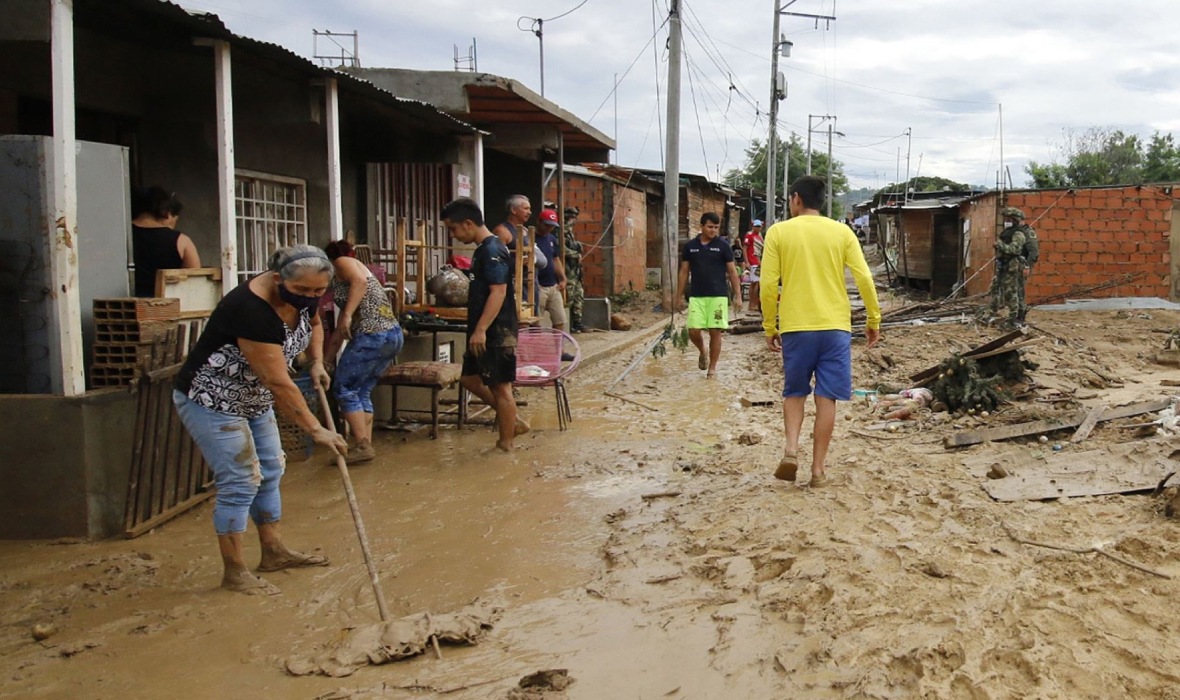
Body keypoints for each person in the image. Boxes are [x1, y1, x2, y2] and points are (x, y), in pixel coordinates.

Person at [173, 245, 348, 595]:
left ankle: (273, 552)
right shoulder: (250, 310)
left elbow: (314, 324)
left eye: (317, 292)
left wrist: (315, 361)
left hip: (255, 398)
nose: (310, 298)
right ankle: (234, 572)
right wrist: (315, 429)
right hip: (214, 399)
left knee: (270, 469)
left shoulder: (305, 297)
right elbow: (277, 380)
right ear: (276, 278)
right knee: (240, 480)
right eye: (301, 291)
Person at [760, 176, 881, 487]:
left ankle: (790, 450)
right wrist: (873, 320)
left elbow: (768, 285)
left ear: (797, 199)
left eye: (789, 199)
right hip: (835, 328)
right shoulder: (842, 232)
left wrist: (770, 325)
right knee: (827, 398)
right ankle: (817, 471)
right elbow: (864, 279)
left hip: (796, 327)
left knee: (795, 391)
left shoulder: (778, 232)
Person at [442, 198, 529, 452]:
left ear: (468, 223)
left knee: (501, 388)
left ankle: (506, 444)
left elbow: (498, 293)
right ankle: (513, 421)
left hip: (496, 331)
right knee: (469, 379)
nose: (453, 235)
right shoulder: (483, 249)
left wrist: (481, 330)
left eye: (453, 229)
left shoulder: (492, 250)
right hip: (484, 329)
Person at [323, 240, 403, 464]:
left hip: (373, 335)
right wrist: (327, 361)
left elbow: (358, 283)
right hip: (391, 334)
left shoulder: (343, 262)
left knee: (344, 388)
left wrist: (348, 314)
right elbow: (341, 327)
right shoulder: (353, 274)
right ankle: (365, 443)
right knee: (361, 392)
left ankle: (361, 445)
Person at [678, 212, 743, 379]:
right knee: (693, 330)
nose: (713, 230)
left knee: (715, 331)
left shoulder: (723, 246)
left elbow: (732, 271)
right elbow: (684, 271)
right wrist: (678, 296)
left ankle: (712, 368)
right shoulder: (690, 246)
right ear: (701, 226)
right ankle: (702, 350)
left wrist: (738, 295)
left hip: (719, 296)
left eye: (716, 227)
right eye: (710, 227)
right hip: (697, 295)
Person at [131, 186, 201, 297]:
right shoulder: (182, 241)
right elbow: (195, 283)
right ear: (167, 213)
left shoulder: (120, 235)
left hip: (123, 306)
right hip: (168, 308)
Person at [989, 206, 1029, 325]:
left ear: (1015, 219)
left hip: (1012, 267)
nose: (1006, 221)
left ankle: (1014, 317)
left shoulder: (1018, 233)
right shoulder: (1007, 232)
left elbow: (1015, 250)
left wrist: (1000, 245)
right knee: (994, 288)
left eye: (1009, 219)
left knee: (1011, 293)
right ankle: (992, 311)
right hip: (1003, 265)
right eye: (1006, 218)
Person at [534, 208, 567, 330]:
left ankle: (559, 348)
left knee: (560, 320)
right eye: (546, 225)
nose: (549, 228)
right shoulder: (530, 237)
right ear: (539, 222)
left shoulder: (551, 239)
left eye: (552, 226)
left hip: (553, 285)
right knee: (536, 321)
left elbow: (555, 259)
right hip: (538, 286)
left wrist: (562, 278)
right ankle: (537, 348)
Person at [563, 207, 586, 332]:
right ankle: (568, 324)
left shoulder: (570, 232)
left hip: (575, 270)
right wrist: (576, 254)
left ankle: (577, 323)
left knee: (578, 295)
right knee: (569, 297)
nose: (573, 220)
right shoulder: (559, 231)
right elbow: (561, 249)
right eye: (571, 217)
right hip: (567, 270)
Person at [742, 219, 764, 314]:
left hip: (758, 261)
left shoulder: (760, 237)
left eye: (759, 226)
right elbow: (745, 248)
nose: (758, 228)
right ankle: (752, 304)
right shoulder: (749, 235)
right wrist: (746, 262)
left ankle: (754, 303)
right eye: (756, 226)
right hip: (752, 261)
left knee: (756, 283)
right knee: (755, 282)